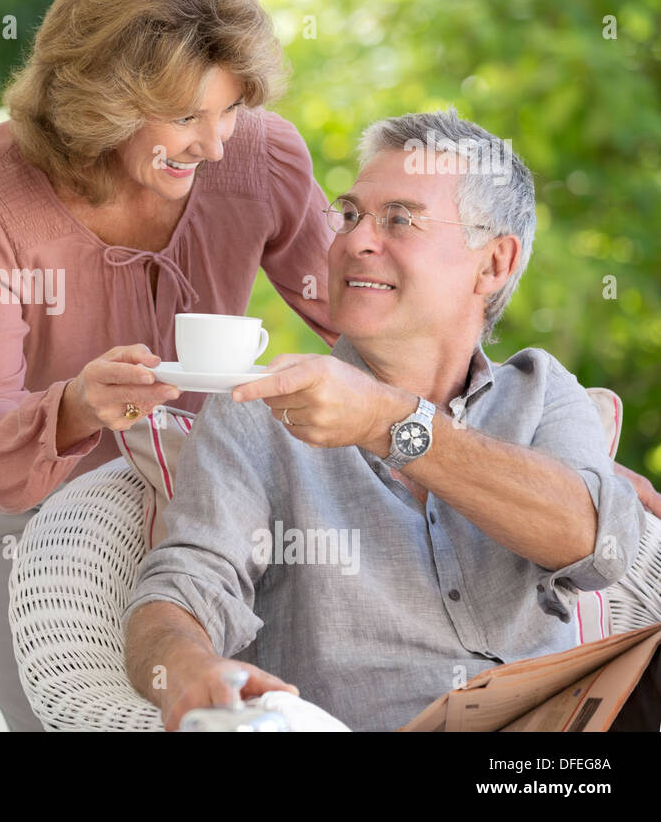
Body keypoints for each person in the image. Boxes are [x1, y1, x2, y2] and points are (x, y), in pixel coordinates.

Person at [0, 0, 338, 731]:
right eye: (184, 117)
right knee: (63, 717)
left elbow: (376, 321)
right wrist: (75, 404)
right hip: (8, 479)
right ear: (100, 103)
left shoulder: (258, 157)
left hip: (183, 467)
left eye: (231, 107)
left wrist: (540, 446)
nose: (215, 145)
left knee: (211, 710)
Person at [122, 108, 653, 731]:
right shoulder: (259, 412)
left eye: (399, 219)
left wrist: (388, 421)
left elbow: (594, 546)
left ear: (494, 264)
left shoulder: (542, 393)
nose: (354, 241)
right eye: (349, 215)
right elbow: (185, 586)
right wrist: (183, 666)